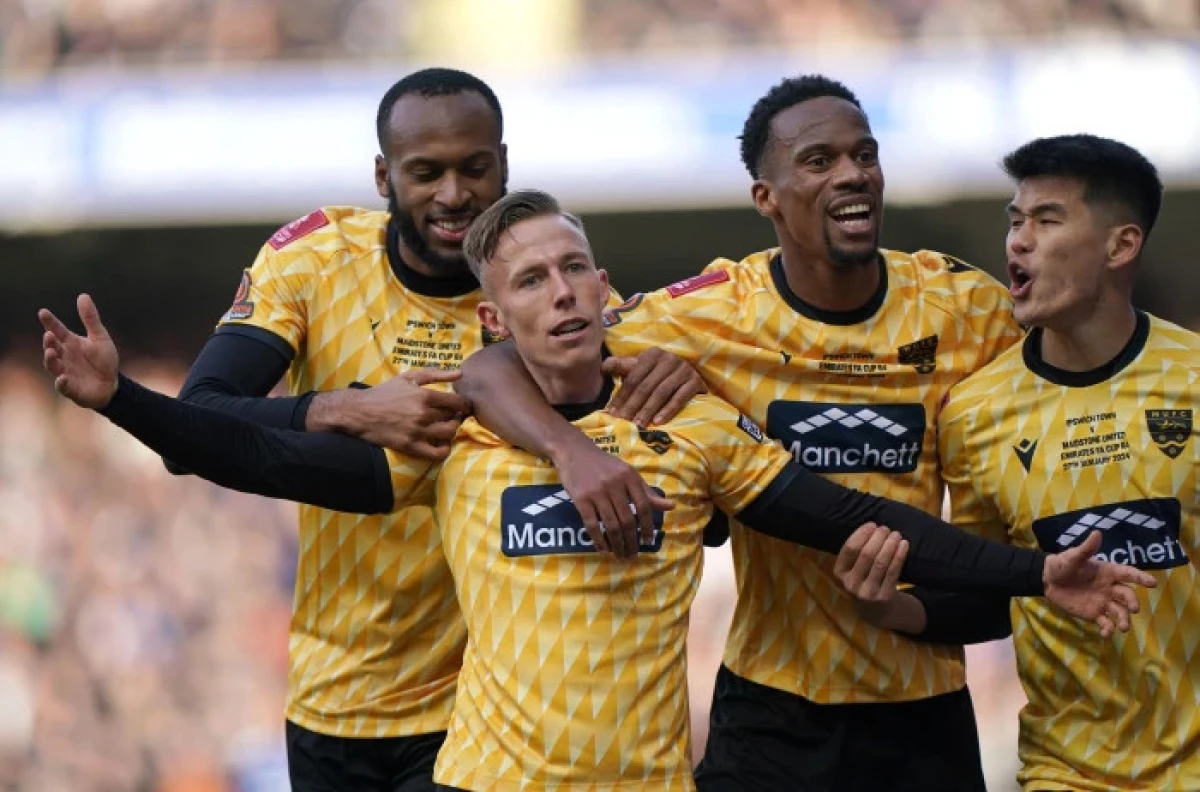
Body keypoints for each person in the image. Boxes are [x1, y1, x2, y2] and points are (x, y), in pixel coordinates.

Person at [40, 189, 1155, 792]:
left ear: (609, 289)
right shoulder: (453, 434)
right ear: (495, 318)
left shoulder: (690, 427)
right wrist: (123, 405)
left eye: (577, 268)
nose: (564, 291)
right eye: (532, 278)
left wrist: (1033, 573)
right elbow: (254, 452)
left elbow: (854, 515)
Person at [454, 75, 1024, 789]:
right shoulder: (702, 315)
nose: (852, 173)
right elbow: (493, 363)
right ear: (767, 197)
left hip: (922, 703)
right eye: (818, 161)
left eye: (864, 154)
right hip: (770, 711)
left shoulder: (967, 308)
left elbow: (1067, 352)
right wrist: (572, 447)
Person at [159, 67, 702, 791]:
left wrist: (689, 368)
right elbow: (197, 422)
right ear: (384, 175)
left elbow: (647, 398)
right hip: (340, 693)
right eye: (426, 172)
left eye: (475, 168)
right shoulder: (315, 261)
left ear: (503, 166)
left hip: (486, 715)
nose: (453, 194)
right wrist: (344, 407)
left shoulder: (540, 286)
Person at [833, 134, 1199, 792]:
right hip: (1066, 772)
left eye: (1047, 220)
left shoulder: (1193, 379)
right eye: (1015, 220)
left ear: (1121, 245)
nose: (1018, 241)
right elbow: (986, 597)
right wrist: (888, 610)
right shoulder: (973, 413)